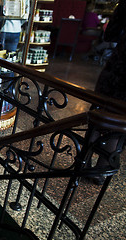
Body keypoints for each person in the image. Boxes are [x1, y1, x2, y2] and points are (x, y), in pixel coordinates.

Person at [87, 0, 126, 185]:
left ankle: (83, 163)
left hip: (119, 68)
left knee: (98, 112)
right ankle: (100, 170)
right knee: (117, 125)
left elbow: (110, 34)